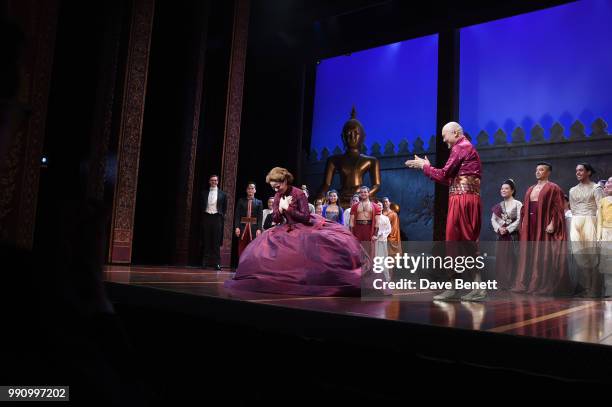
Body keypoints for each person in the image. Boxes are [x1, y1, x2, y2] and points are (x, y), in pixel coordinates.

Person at [225, 167, 366, 296]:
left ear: (285, 181)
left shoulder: (298, 194)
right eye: (273, 187)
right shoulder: (278, 196)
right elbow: (276, 218)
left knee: (319, 245)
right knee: (262, 249)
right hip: (286, 227)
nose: (276, 190)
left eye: (277, 186)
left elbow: (305, 216)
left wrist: (288, 208)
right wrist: (279, 211)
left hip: (304, 225)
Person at [405, 122, 484, 301]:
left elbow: (444, 174)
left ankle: (474, 288)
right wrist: (428, 168)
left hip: (463, 200)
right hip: (463, 197)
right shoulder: (465, 149)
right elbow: (449, 180)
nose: (443, 140)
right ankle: (456, 287)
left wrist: (424, 167)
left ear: (455, 133)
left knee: (464, 243)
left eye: (444, 135)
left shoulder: (461, 147)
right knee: (458, 244)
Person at [513, 162, 571, 295]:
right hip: (530, 225)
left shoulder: (553, 188)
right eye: (537, 170)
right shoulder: (530, 188)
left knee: (542, 252)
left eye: (541, 170)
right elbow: (525, 209)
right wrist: (523, 223)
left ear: (548, 172)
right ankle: (526, 284)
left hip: (543, 224)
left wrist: (552, 223)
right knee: (530, 251)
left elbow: (558, 208)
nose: (538, 172)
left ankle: (541, 284)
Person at [319, 107, 381, 207]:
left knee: (394, 208)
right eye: (348, 134)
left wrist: (365, 195)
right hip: (342, 196)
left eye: (356, 133)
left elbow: (377, 185)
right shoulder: (334, 160)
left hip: (362, 196)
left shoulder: (371, 160)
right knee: (324, 205)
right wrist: (321, 195)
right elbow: (326, 185)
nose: (352, 137)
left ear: (363, 137)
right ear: (342, 137)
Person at [569, 163, 604, 297]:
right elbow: (572, 208)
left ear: (588, 172)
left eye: (581, 170)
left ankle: (594, 290)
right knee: (580, 256)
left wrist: (599, 229)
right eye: (576, 170)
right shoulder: (572, 190)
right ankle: (587, 288)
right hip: (576, 221)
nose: (578, 172)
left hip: (590, 220)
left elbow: (600, 209)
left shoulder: (596, 188)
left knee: (592, 256)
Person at [491, 179, 522, 289]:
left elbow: (520, 219)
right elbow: (493, 220)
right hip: (501, 236)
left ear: (512, 191)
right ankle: (501, 283)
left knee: (513, 259)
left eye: (506, 188)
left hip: (513, 236)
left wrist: (508, 229)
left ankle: (512, 283)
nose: (503, 190)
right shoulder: (498, 205)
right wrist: (499, 228)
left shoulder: (518, 204)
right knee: (501, 259)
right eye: (502, 188)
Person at [202, 175, 227, 270]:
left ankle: (217, 263)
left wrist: (220, 216)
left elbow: (224, 208)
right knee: (207, 240)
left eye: (215, 180)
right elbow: (201, 206)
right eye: (212, 180)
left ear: (218, 182)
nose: (214, 182)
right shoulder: (204, 193)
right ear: (209, 181)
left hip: (217, 218)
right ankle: (205, 262)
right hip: (207, 217)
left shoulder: (223, 194)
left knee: (216, 241)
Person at [234, 182, 263, 258]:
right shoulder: (241, 201)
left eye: (252, 188)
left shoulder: (259, 202)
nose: (250, 190)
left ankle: (250, 267)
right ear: (246, 190)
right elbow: (237, 215)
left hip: (253, 228)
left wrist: (259, 229)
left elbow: (260, 217)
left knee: (252, 247)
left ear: (255, 190)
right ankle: (241, 265)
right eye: (249, 188)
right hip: (242, 227)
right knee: (241, 247)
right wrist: (237, 227)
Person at [350, 186, 381, 257]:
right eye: (361, 192)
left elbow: (377, 222)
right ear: (359, 194)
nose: (363, 194)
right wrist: (351, 234)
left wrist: (375, 235)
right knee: (357, 250)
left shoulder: (376, 207)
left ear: (368, 193)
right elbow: (351, 221)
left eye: (365, 192)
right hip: (357, 229)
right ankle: (359, 267)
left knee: (369, 251)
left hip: (369, 229)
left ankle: (369, 268)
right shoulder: (354, 206)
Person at [375, 201, 392, 281]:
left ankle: (386, 278)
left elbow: (389, 229)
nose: (379, 207)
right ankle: (376, 278)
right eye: (377, 206)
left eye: (380, 205)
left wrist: (383, 234)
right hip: (375, 241)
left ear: (382, 207)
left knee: (383, 259)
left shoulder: (386, 218)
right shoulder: (373, 218)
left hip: (383, 240)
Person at [382, 197, 402, 261]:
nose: (385, 203)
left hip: (389, 237)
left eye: (386, 202)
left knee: (390, 261)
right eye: (384, 202)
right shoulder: (380, 214)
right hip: (380, 237)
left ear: (389, 203)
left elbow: (394, 228)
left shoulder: (393, 214)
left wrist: (387, 235)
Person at [597, 177, 612, 241]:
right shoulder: (602, 201)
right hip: (606, 233)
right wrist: (598, 237)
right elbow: (600, 221)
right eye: (608, 182)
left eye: (610, 182)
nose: (607, 185)